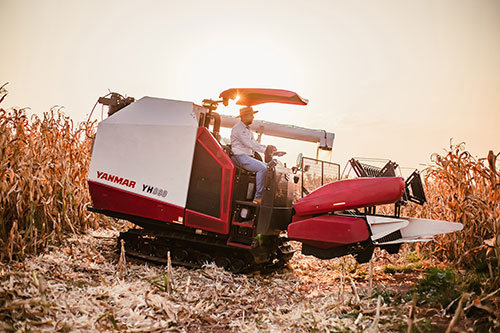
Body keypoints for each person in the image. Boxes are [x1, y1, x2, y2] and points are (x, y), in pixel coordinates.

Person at [231, 106, 279, 204]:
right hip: (240, 157)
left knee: (267, 167)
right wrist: (265, 150)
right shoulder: (239, 129)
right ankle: (258, 197)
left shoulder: (248, 129)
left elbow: (254, 143)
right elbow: (249, 144)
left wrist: (267, 149)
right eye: (251, 115)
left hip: (246, 156)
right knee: (262, 168)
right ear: (244, 116)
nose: (253, 117)